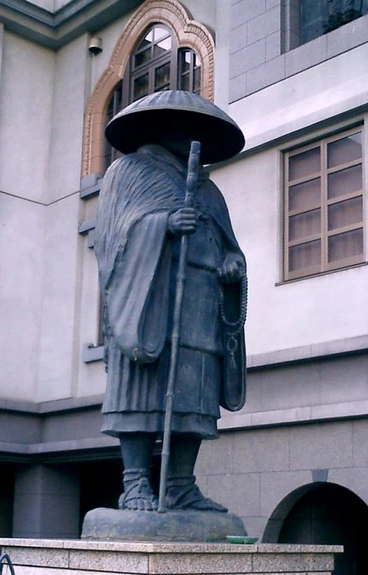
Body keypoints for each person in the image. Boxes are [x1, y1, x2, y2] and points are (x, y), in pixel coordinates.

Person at [95, 91, 247, 512]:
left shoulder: (208, 191)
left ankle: (180, 485)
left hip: (200, 309)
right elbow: (111, 239)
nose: (194, 135)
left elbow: (230, 248)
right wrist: (162, 224)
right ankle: (135, 483)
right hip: (149, 304)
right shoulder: (129, 172)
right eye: (186, 126)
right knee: (142, 392)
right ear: (162, 127)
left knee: (193, 396)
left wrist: (232, 265)